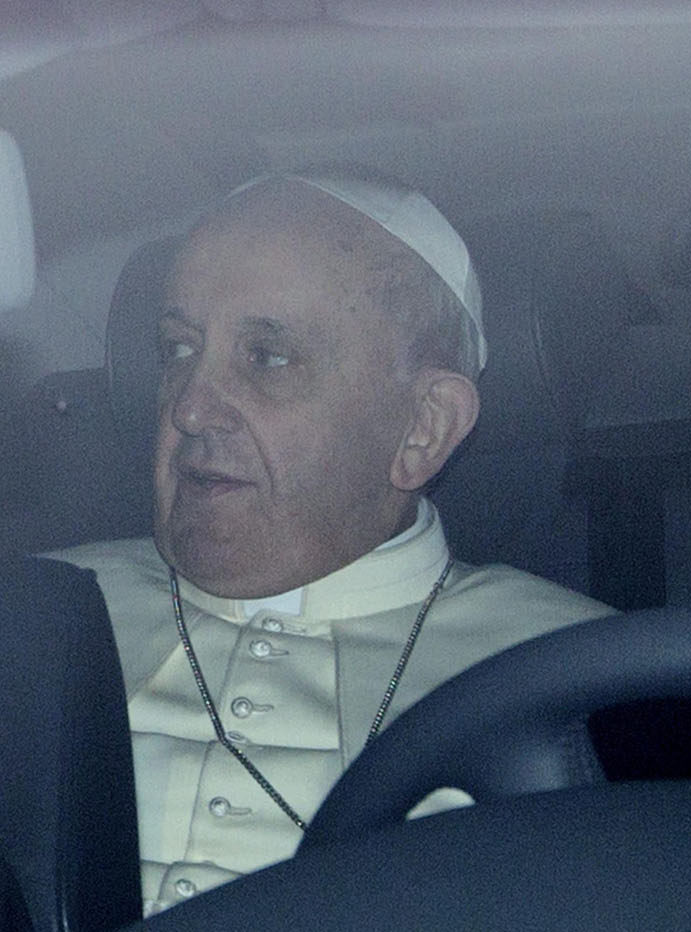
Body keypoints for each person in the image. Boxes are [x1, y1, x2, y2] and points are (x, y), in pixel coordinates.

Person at [48, 169, 611, 915]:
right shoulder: (30, 609)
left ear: (423, 428)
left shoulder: (585, 676)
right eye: (177, 350)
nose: (189, 407)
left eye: (268, 358)